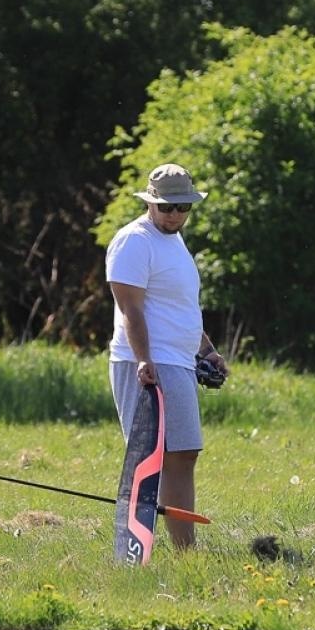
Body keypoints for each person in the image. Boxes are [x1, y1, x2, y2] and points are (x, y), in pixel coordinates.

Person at [105, 163, 229, 550]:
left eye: (182, 207)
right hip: (148, 364)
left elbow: (179, 311)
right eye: (167, 207)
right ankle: (170, 550)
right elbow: (131, 309)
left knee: (184, 453)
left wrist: (206, 350)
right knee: (160, 458)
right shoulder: (134, 241)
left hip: (178, 362)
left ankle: (183, 551)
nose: (175, 214)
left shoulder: (174, 243)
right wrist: (144, 360)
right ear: (150, 203)